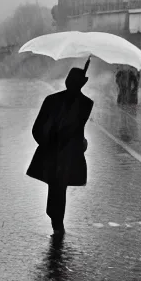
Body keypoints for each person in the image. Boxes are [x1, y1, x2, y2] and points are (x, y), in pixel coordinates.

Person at [26, 60, 94, 237]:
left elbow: (37, 129)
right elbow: (77, 130)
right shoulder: (86, 104)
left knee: (56, 187)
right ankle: (57, 221)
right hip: (69, 154)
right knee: (59, 187)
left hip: (56, 153)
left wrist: (47, 145)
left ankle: (56, 222)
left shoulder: (52, 100)